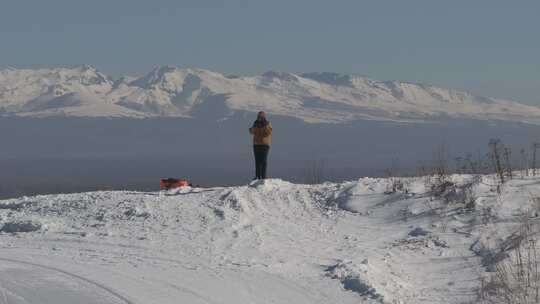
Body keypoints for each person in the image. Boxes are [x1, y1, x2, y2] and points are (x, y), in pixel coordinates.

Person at [249, 111, 272, 180]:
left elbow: (268, 132)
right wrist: (256, 126)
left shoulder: (268, 124)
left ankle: (263, 176)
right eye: (258, 116)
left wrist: (263, 125)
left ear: (264, 117)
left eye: (261, 116)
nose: (259, 118)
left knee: (264, 161)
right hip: (256, 144)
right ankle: (257, 176)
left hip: (265, 144)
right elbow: (251, 131)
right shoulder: (255, 123)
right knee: (257, 161)